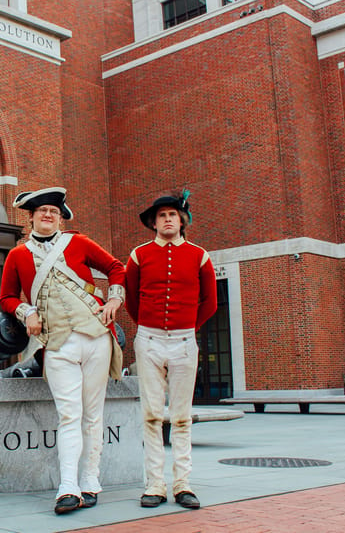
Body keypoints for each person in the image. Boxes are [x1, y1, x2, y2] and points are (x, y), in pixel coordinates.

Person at [0, 187, 125, 515]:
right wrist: (27, 312)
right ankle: (67, 487)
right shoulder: (18, 255)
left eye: (53, 212)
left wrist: (114, 299)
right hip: (56, 344)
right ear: (30, 218)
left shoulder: (79, 243)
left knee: (92, 414)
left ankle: (91, 480)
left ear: (60, 217)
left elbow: (116, 268)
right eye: (41, 211)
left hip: (96, 336)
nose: (47, 215)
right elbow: (7, 297)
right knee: (69, 415)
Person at [125, 191, 217, 510]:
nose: (167, 219)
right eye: (162, 215)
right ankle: (154, 483)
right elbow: (132, 300)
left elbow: (211, 302)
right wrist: (147, 326)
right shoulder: (138, 255)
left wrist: (187, 327)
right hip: (149, 339)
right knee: (150, 414)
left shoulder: (199, 256)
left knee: (180, 416)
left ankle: (182, 483)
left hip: (183, 342)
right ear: (154, 222)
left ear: (182, 221)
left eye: (173, 215)